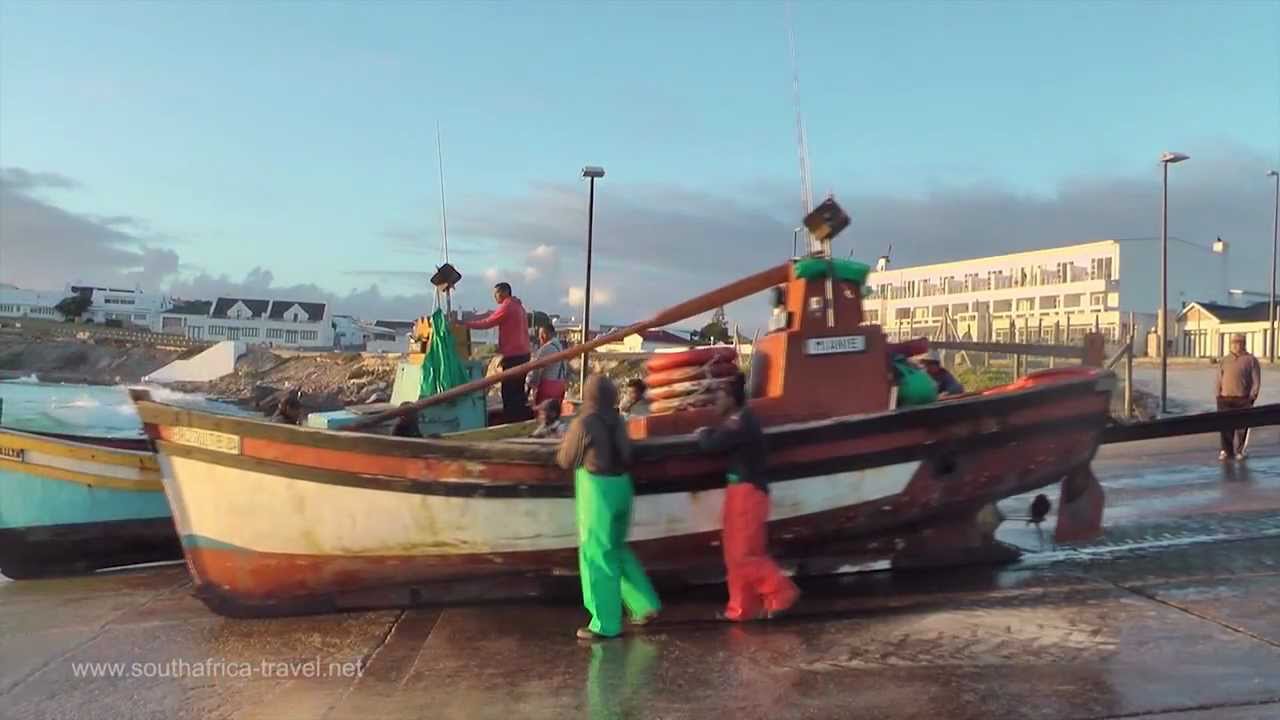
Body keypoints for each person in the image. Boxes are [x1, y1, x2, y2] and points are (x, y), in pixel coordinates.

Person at [556, 375, 661, 640]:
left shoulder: (584, 421)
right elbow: (628, 455)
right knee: (617, 549)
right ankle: (644, 605)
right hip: (622, 488)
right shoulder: (618, 420)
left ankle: (605, 624)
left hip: (598, 491)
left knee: (597, 556)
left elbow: (566, 460)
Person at [695, 373, 799, 622]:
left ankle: (782, 592)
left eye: (719, 398)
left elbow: (713, 444)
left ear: (731, 399)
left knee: (745, 554)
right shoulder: (740, 419)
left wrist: (702, 434)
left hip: (748, 493)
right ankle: (742, 608)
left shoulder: (739, 422)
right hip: (739, 490)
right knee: (733, 554)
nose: (715, 404)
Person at [466, 282, 533, 423]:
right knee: (518, 391)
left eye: (495, 293)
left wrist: (465, 324)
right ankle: (519, 419)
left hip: (514, 355)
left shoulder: (507, 306)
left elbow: (488, 323)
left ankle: (512, 421)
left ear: (503, 293)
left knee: (509, 392)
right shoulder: (518, 306)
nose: (494, 296)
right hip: (523, 354)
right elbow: (492, 315)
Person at [1216, 333, 1261, 461]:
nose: (1235, 345)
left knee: (1242, 427)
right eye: (1233, 343)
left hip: (1243, 399)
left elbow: (1256, 380)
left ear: (1244, 344)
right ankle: (1226, 450)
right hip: (1225, 399)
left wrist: (1253, 395)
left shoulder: (1251, 360)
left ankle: (1240, 450)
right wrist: (1217, 394)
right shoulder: (1225, 359)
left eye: (1238, 343)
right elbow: (1219, 378)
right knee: (1225, 426)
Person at [526, 322, 569, 407]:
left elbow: (535, 369)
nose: (539, 338)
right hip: (560, 386)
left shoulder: (546, 349)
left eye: (540, 334)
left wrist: (529, 384)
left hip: (548, 388)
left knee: (542, 414)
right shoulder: (560, 347)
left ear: (544, 335)